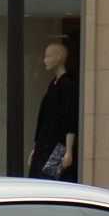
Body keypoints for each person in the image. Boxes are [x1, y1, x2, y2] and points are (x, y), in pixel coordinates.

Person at [27, 42, 78, 181]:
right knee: (38, 179)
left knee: (50, 179)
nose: (45, 60)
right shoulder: (53, 84)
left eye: (48, 56)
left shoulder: (67, 85)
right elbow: (44, 116)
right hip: (45, 142)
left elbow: (70, 118)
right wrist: (36, 147)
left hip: (58, 145)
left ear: (60, 57)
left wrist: (68, 150)